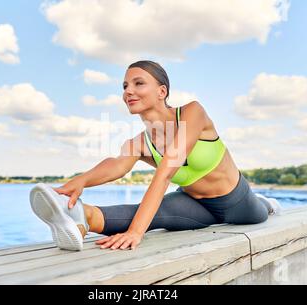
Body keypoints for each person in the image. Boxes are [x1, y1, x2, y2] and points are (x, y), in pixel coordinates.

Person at [30, 60, 282, 251]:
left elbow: (165, 174)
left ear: (162, 92)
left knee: (260, 212)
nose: (129, 91)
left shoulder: (192, 113)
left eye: (139, 83)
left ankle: (267, 203)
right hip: (193, 203)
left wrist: (136, 233)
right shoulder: (140, 142)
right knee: (149, 213)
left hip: (238, 202)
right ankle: (79, 217)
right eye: (125, 86)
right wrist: (79, 182)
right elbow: (116, 166)